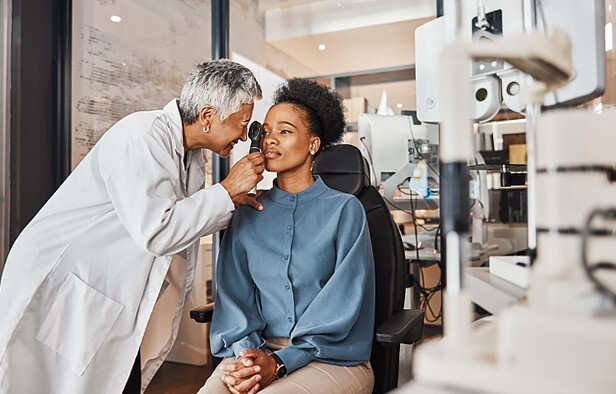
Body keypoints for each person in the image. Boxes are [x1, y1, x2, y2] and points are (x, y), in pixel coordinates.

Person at [0, 59, 265, 394]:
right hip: (65, 281)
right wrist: (226, 190)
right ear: (208, 116)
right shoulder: (142, 136)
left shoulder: (191, 157)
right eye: (240, 124)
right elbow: (157, 231)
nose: (244, 136)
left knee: (114, 378)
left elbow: (182, 220)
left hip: (102, 288)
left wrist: (229, 202)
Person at [198, 78, 376, 394]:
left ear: (313, 144)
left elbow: (342, 307)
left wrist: (281, 363)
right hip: (255, 350)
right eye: (265, 131)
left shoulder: (345, 211)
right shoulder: (245, 210)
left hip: (329, 357)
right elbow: (234, 298)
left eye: (284, 131)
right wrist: (248, 357)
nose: (269, 140)